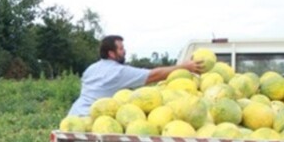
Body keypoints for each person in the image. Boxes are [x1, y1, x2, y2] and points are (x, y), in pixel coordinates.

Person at [68, 35, 204, 116]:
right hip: (90, 119)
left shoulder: (91, 69)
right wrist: (184, 67)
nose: (124, 51)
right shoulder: (118, 72)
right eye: (121, 49)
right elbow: (154, 75)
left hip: (74, 114)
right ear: (111, 53)